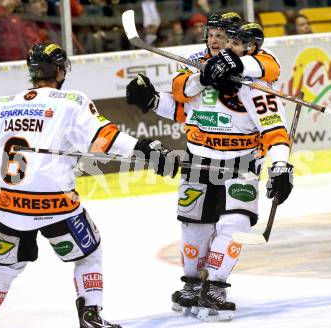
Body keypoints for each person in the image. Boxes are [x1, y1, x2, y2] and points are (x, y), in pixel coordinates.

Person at [0, 42, 179, 328]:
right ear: (59, 71)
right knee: (89, 255)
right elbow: (104, 138)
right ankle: (90, 316)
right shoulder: (71, 102)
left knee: (1, 270)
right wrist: (144, 149)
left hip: (10, 207)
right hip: (57, 206)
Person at [126, 21, 294, 321]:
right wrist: (154, 100)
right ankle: (192, 284)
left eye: (229, 40)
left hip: (240, 164)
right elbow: (181, 106)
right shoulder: (199, 66)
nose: (221, 43)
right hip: (198, 162)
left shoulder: (257, 82)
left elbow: (275, 130)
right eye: (216, 37)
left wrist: (281, 165)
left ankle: (215, 286)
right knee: (194, 229)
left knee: (235, 225)